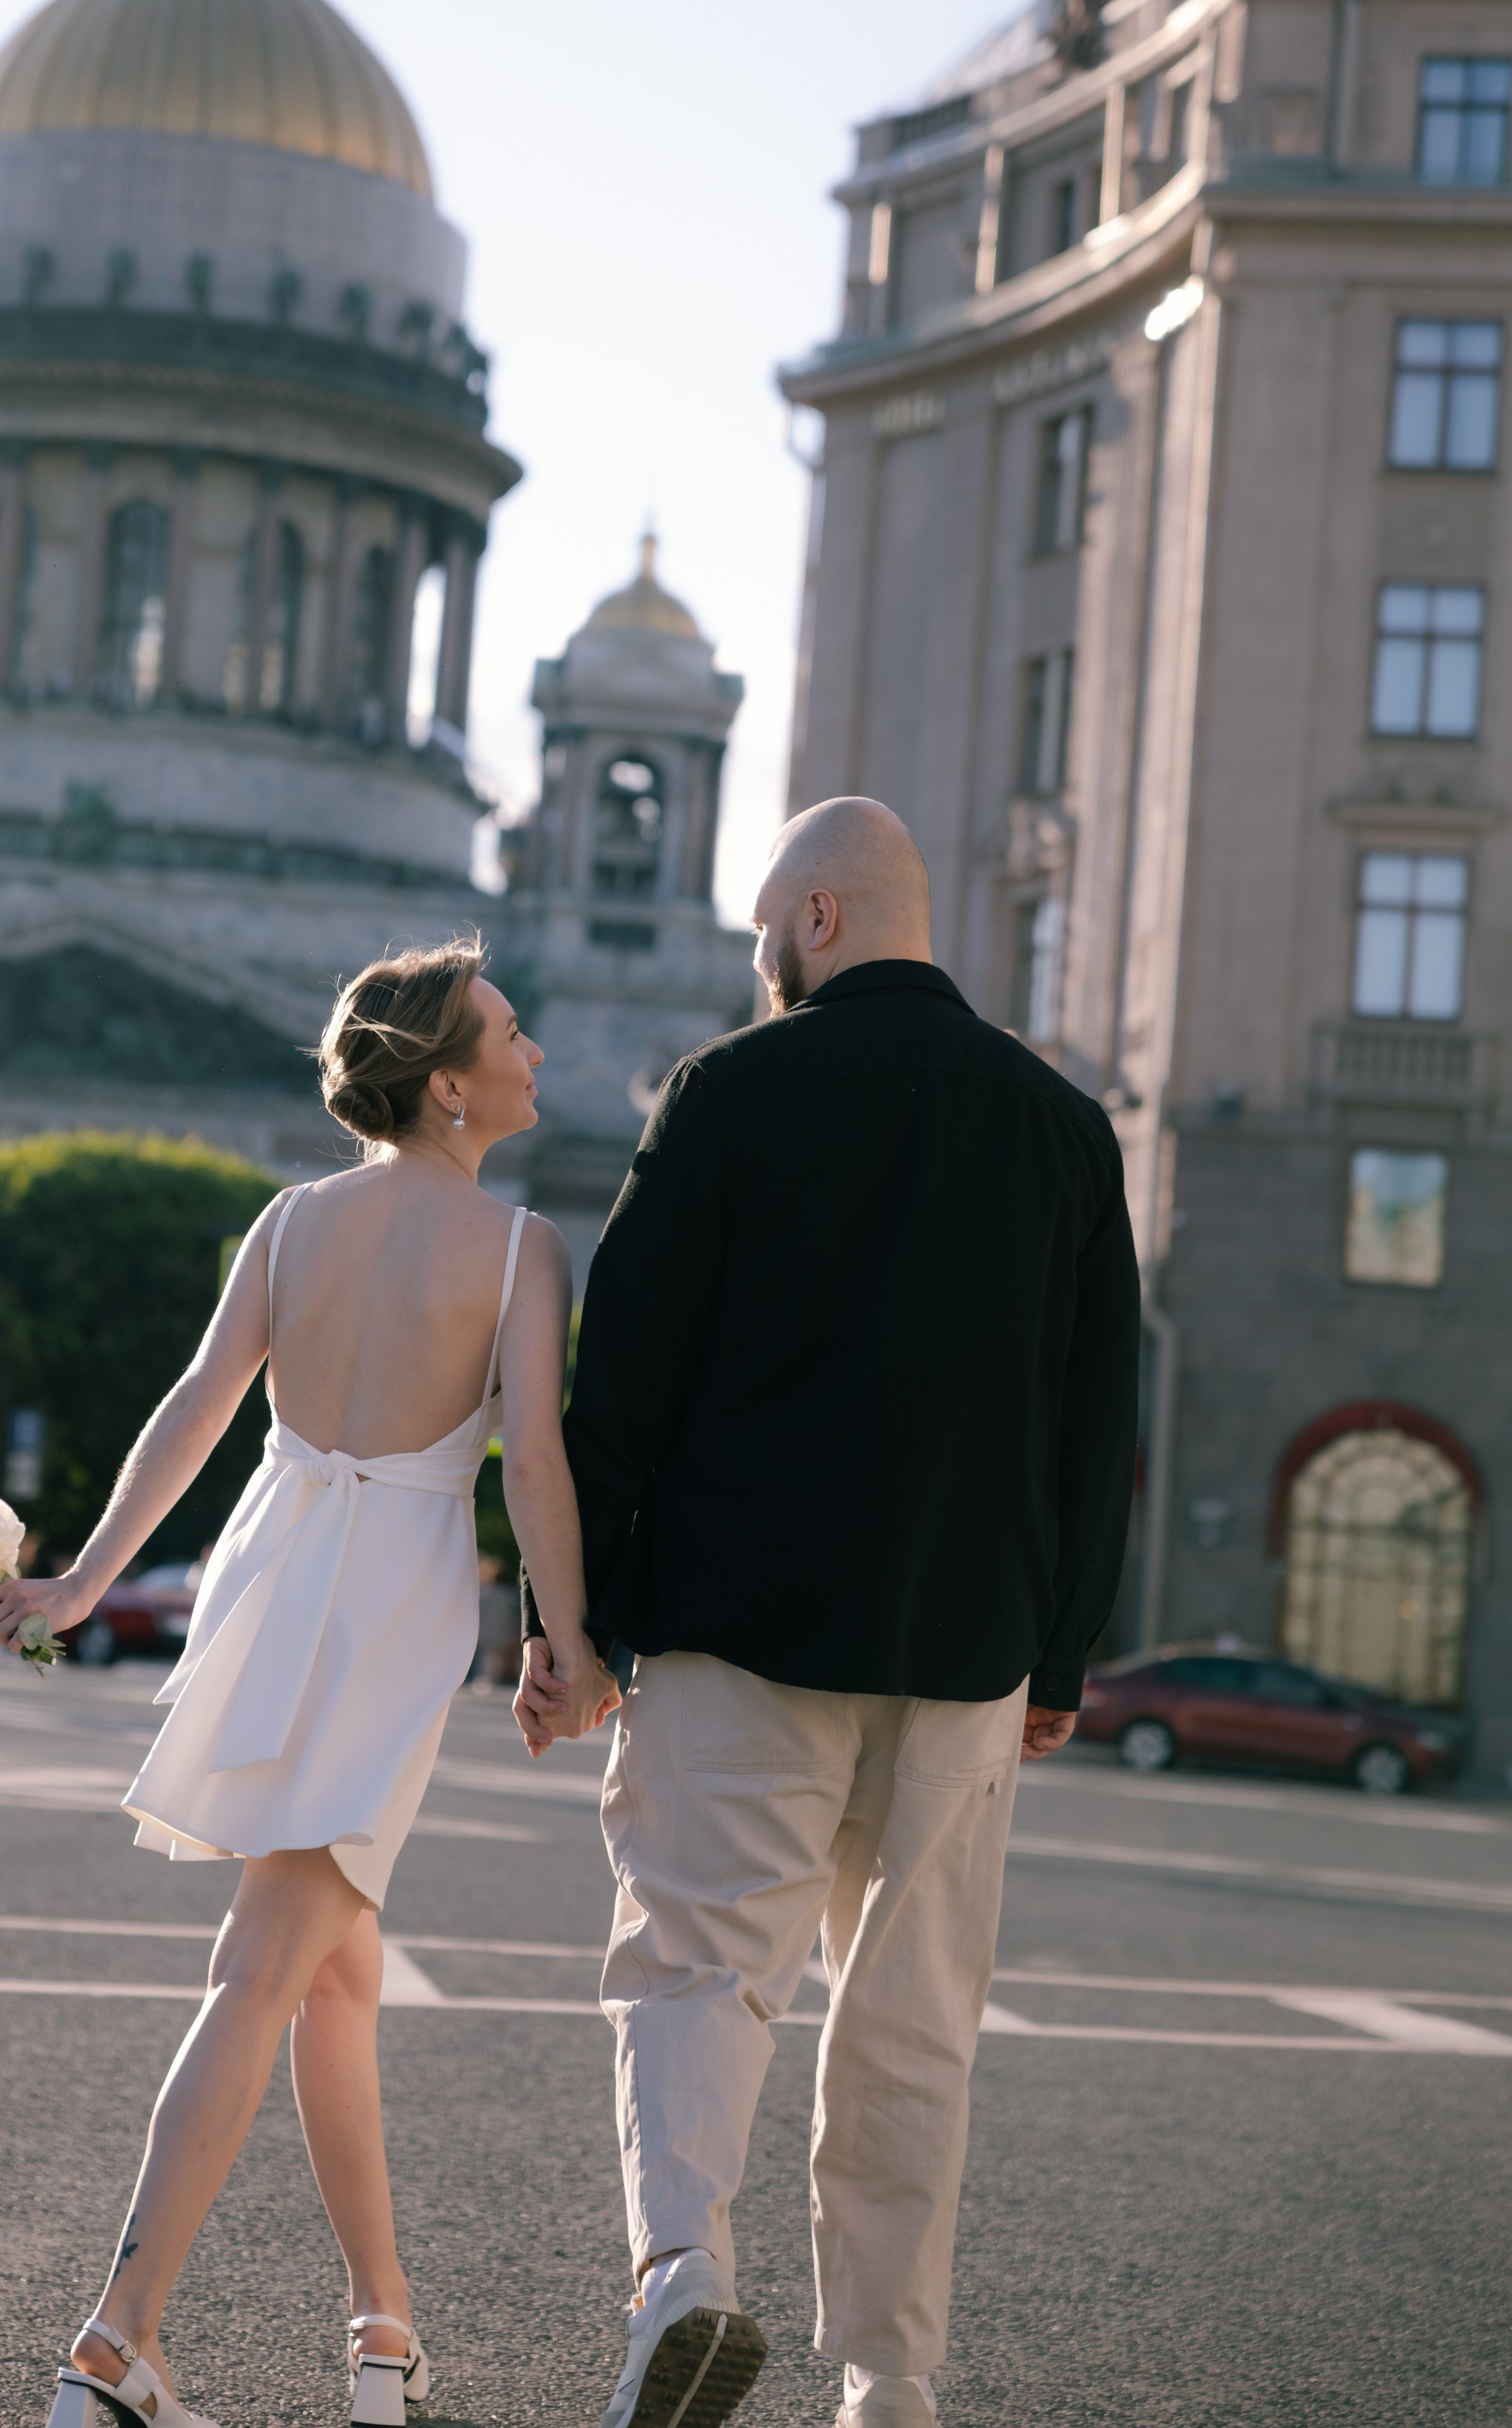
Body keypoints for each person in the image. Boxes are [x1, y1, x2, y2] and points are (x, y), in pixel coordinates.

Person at [518, 797, 1141, 2428]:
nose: (757, 966)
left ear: (810, 917)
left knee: (697, 1967)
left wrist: (567, 1622)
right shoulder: (1069, 1131)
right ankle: (889, 2378)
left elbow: (625, 1383)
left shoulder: (727, 1091)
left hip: (741, 1625)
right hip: (965, 1653)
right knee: (913, 2016)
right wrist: (1059, 1648)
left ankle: (684, 2285)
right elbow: (1097, 1421)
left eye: (759, 936)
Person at [0, 938, 617, 2428]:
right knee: (264, 1969)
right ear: (450, 1087)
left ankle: (382, 2329)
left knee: (337, 1978)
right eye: (514, 1036)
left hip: (265, 1581)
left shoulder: (289, 1219)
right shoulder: (522, 1248)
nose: (537, 1055)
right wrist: (566, 1642)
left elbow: (196, 1410)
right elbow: (533, 1464)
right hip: (391, 1605)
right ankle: (114, 2338)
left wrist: (81, 1577)